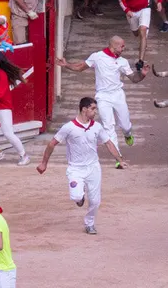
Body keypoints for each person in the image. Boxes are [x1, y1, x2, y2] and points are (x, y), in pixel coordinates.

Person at [37, 97, 127, 235]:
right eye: (93, 109)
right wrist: (44, 163)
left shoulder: (97, 127)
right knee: (76, 197)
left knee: (95, 201)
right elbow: (52, 144)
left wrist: (119, 160)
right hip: (75, 169)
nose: (95, 112)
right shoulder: (69, 127)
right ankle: (80, 197)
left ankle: (89, 224)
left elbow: (108, 143)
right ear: (84, 109)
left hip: (93, 168)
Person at [56, 36, 149, 166]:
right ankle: (118, 159)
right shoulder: (97, 57)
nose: (124, 48)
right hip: (103, 96)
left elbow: (134, 78)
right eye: (122, 46)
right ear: (114, 45)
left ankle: (128, 134)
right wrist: (66, 65)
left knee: (125, 125)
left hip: (118, 95)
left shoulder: (122, 61)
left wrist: (142, 74)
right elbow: (81, 66)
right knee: (108, 126)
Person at [119, 0, 164, 69]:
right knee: (136, 33)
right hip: (132, 12)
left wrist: (159, 1)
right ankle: (141, 40)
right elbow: (121, 0)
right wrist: (127, 10)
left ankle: (140, 61)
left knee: (143, 30)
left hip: (145, 9)